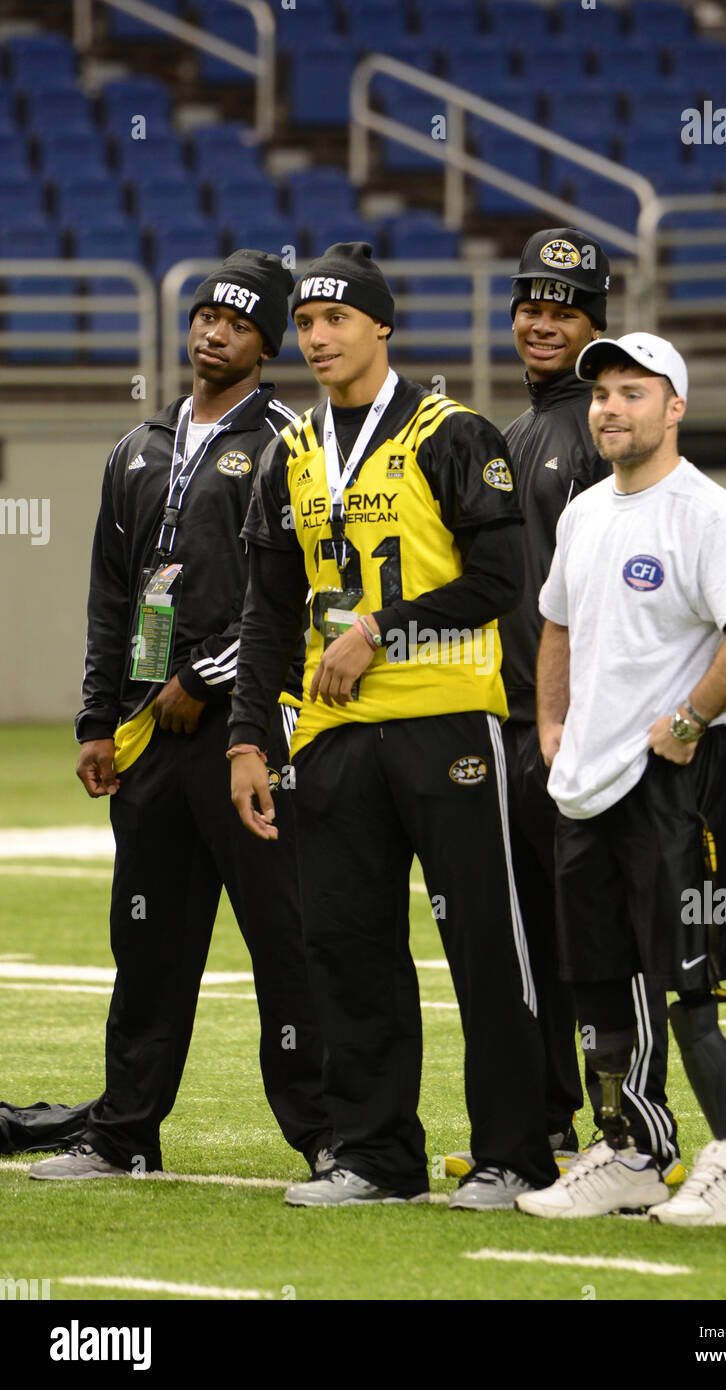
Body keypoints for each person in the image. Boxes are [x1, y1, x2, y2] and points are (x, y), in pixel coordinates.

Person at [228, 241, 558, 1209]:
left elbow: (502, 583)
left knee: (486, 945)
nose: (318, 336)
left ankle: (513, 1151)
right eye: (307, 323)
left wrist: (382, 627)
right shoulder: (290, 451)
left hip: (447, 723)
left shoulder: (453, 434)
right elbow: (266, 611)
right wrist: (250, 737)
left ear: (382, 325)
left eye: (337, 319)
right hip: (330, 738)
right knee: (346, 944)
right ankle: (374, 1152)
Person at [30, 250, 331, 1181]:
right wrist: (94, 718)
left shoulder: (289, 440)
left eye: (238, 323)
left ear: (266, 343)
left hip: (245, 729)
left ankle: (326, 1135)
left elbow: (290, 595)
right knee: (147, 936)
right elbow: (111, 595)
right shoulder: (137, 447)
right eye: (207, 315)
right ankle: (123, 1133)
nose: (214, 332)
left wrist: (205, 679)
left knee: (285, 935)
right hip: (148, 732)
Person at [517, 332, 726, 1224]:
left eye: (634, 393)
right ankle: (635, 1151)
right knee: (598, 984)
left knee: (690, 987)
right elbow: (555, 625)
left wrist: (687, 720)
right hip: (585, 785)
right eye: (601, 393)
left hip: (676, 784)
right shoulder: (586, 513)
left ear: (675, 408)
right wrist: (554, 725)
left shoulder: (709, 514)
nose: (610, 407)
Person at [447, 229, 683, 1183]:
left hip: (589, 728)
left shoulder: (601, 429)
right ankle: (546, 1131)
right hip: (512, 723)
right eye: (528, 305)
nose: (541, 321)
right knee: (533, 940)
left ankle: (629, 1131)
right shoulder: (511, 433)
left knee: (604, 937)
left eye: (563, 306)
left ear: (596, 321)